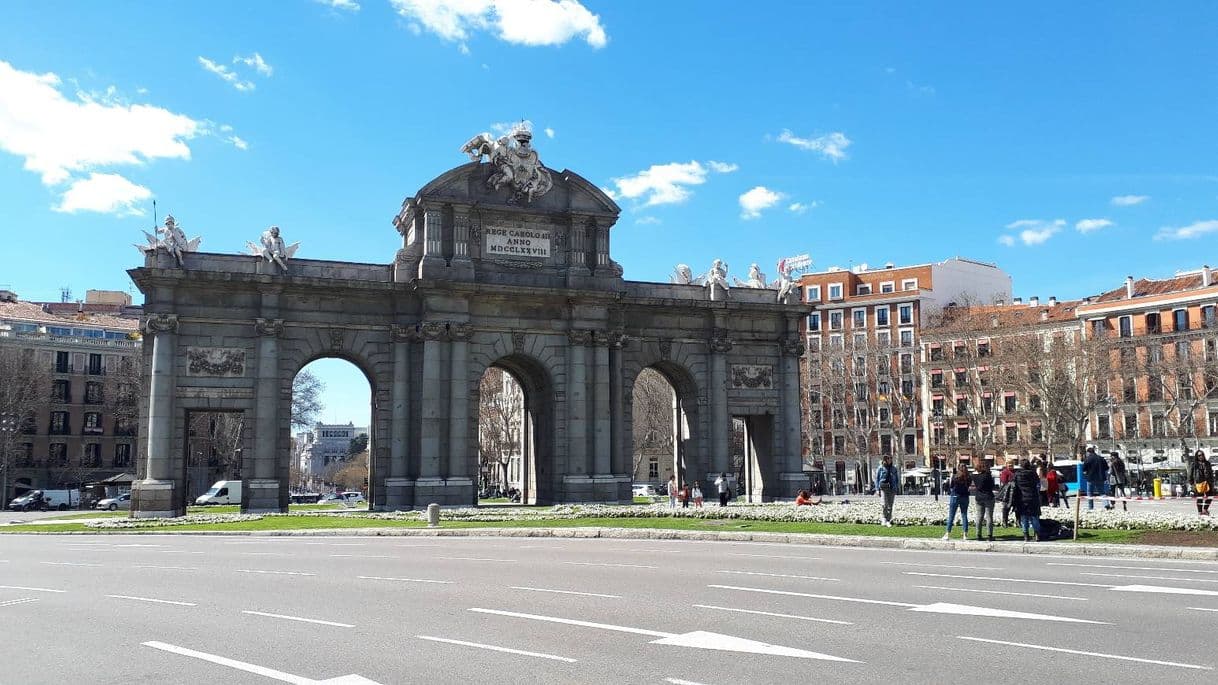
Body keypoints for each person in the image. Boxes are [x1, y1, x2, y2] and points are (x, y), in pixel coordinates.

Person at [1013, 458, 1042, 542]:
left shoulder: (1017, 474)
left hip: (1021, 498)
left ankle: (1026, 535)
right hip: (1033, 497)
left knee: (1024, 517)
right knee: (1034, 517)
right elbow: (1037, 483)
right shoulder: (1033, 473)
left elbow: (1014, 485)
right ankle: (1037, 534)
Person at [942, 464, 971, 541]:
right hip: (965, 497)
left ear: (958, 468)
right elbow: (968, 486)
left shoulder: (955, 476)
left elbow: (951, 486)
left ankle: (947, 533)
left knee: (951, 515)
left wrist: (951, 475)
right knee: (964, 515)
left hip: (955, 496)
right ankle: (965, 534)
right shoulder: (968, 477)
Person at [971, 462, 996, 541]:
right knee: (989, 517)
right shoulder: (987, 476)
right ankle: (989, 535)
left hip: (979, 497)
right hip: (988, 497)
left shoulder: (974, 476)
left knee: (979, 516)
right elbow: (992, 486)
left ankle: (978, 534)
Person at [875, 455, 899, 527]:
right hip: (883, 488)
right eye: (888, 459)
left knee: (890, 506)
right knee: (884, 504)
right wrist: (877, 489)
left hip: (892, 488)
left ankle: (888, 520)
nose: (890, 460)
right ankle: (884, 518)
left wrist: (896, 488)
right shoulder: (880, 468)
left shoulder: (894, 468)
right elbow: (877, 479)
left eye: (891, 458)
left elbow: (896, 479)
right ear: (885, 460)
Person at [1187, 449, 1214, 516]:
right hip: (1199, 483)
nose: (1201, 456)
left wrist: (1212, 481)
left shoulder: (1207, 463)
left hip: (1208, 482)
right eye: (1199, 455)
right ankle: (1200, 512)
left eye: (1202, 455)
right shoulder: (1194, 464)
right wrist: (1192, 484)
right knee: (1200, 498)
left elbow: (1210, 472)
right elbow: (1190, 474)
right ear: (1197, 456)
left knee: (1210, 496)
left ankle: (1205, 509)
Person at [1082, 445, 1109, 510]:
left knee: (1090, 494)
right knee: (1102, 492)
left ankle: (1090, 507)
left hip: (1090, 478)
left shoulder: (1087, 459)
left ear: (1088, 452)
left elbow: (1084, 470)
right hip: (1101, 478)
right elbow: (1106, 468)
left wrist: (1086, 474)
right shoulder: (1101, 458)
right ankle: (1106, 504)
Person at [998, 461, 1016, 526]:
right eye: (1009, 465)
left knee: (1016, 507)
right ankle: (1004, 521)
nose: (1010, 466)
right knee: (1006, 507)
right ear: (1006, 465)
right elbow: (1003, 481)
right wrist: (1010, 482)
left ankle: (1018, 521)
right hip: (1007, 492)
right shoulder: (1005, 472)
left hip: (1014, 492)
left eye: (1011, 464)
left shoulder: (1015, 471)